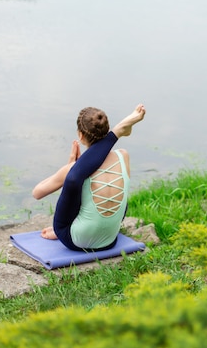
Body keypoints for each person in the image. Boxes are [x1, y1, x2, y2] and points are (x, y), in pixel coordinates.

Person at [32, 104, 146, 251]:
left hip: (77, 241)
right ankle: (117, 131)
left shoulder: (72, 170)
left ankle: (118, 131)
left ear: (80, 135)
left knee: (75, 180)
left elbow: (37, 193)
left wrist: (67, 169)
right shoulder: (123, 156)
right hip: (109, 239)